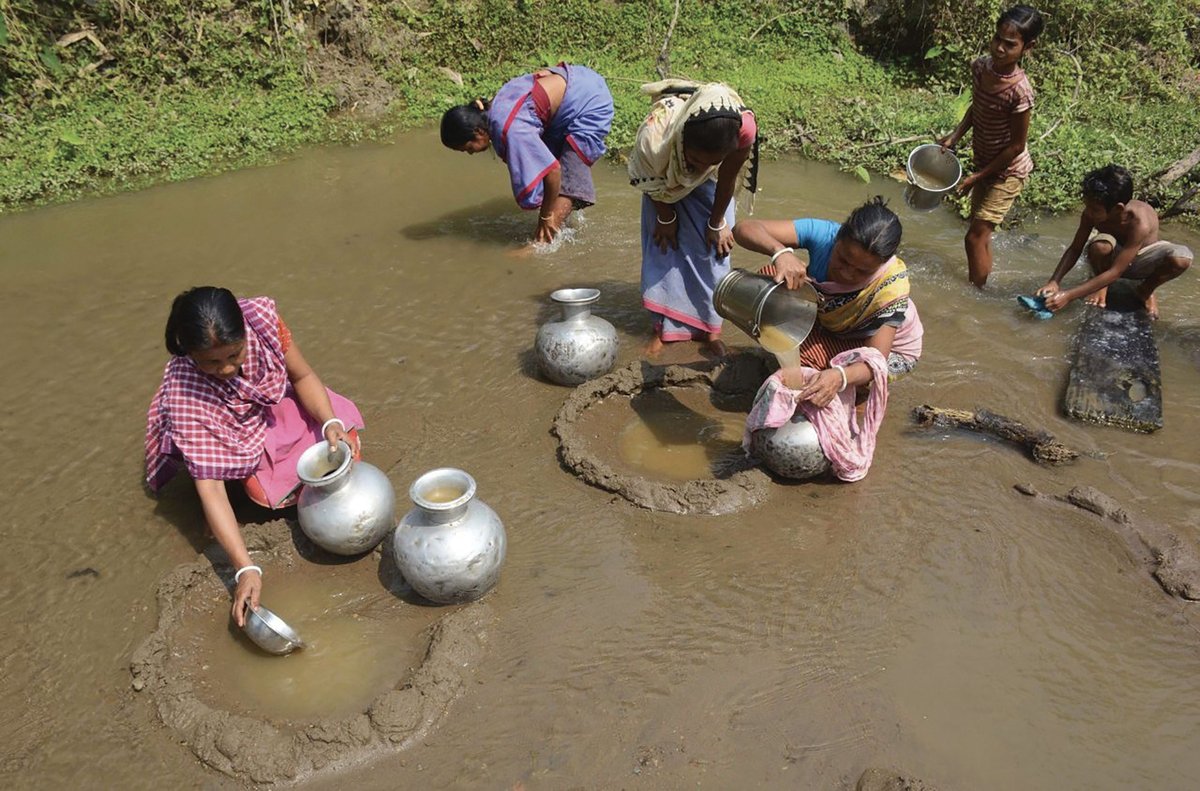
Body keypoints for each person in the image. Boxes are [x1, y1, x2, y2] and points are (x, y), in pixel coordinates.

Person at [144, 287, 364, 626]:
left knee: (343, 441)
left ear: (245, 335)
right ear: (190, 355)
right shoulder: (184, 393)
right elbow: (211, 489)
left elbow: (302, 375)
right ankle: (225, 483)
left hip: (264, 405)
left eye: (234, 355)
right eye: (212, 363)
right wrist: (245, 568)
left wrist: (329, 421)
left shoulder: (262, 322)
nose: (228, 369)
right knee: (262, 494)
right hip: (219, 426)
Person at [732, 197, 923, 405]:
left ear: (881, 266)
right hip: (836, 323)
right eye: (842, 259)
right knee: (772, 278)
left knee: (814, 362)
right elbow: (744, 228)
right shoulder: (824, 235)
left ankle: (860, 397)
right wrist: (780, 253)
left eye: (862, 271)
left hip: (890, 352)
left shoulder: (890, 291)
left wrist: (840, 376)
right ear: (837, 238)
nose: (848, 274)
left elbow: (875, 361)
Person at [627, 79, 759, 357]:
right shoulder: (657, 137)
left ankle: (710, 330)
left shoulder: (743, 131)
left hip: (713, 184)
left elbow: (727, 176)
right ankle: (662, 330)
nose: (699, 168)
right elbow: (647, 179)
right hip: (661, 181)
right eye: (695, 161)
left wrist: (716, 222)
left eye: (711, 161)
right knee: (663, 249)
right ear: (682, 141)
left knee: (715, 252)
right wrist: (665, 217)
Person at [440, 63, 614, 244]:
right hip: (579, 80)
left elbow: (553, 171)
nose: (470, 153)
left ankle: (541, 243)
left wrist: (545, 217)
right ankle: (561, 224)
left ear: (478, 132)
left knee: (571, 176)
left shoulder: (510, 129)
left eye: (468, 148)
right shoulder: (494, 108)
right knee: (550, 160)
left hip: (589, 101)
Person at [938, 5, 1043, 287]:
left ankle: (977, 296)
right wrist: (955, 136)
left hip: (1008, 171)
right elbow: (978, 106)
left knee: (974, 236)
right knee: (979, 233)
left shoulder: (1020, 91)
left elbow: (1017, 146)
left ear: (1027, 47)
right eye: (997, 39)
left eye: (1010, 45)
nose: (999, 48)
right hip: (985, 163)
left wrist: (976, 178)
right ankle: (982, 282)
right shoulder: (981, 67)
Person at [1036, 165, 1193, 318]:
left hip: (1139, 260)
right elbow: (1075, 249)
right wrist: (1054, 281)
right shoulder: (1092, 213)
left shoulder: (1139, 222)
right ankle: (1101, 286)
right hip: (1111, 258)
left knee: (1182, 258)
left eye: (1095, 209)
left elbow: (1116, 272)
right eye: (1087, 206)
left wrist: (1069, 296)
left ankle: (1146, 290)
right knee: (1100, 246)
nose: (1089, 212)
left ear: (1118, 209)